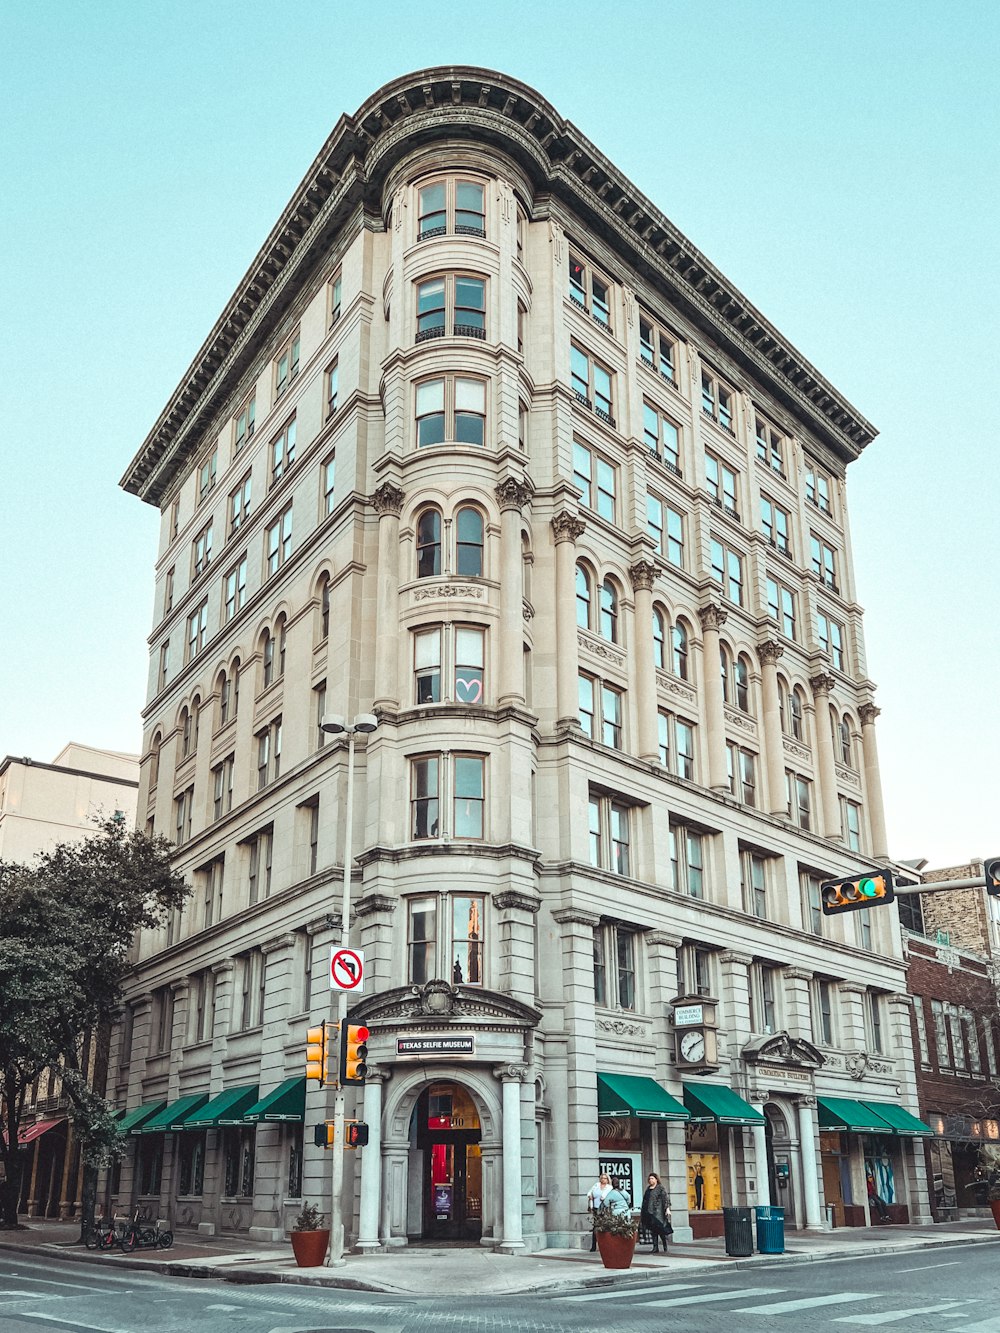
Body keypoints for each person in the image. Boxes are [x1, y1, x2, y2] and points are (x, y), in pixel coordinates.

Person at [640, 1172, 672, 1253]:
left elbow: (666, 1199)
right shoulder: (648, 1189)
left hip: (658, 1212)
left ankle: (664, 1245)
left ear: (656, 1179)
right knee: (653, 1230)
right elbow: (645, 1200)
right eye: (650, 1179)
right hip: (649, 1212)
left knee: (660, 1229)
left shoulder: (660, 1188)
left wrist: (667, 1209)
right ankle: (655, 1247)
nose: (650, 1180)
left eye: (652, 1178)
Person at [586, 1172, 612, 1252]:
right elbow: (590, 1192)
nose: (603, 1180)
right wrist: (590, 1195)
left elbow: (608, 1196)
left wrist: (604, 1198)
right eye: (602, 1178)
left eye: (605, 1178)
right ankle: (593, 1245)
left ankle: (605, 1245)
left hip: (604, 1209)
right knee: (596, 1226)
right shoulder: (596, 1185)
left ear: (607, 1180)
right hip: (596, 1208)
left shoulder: (609, 1187)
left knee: (604, 1226)